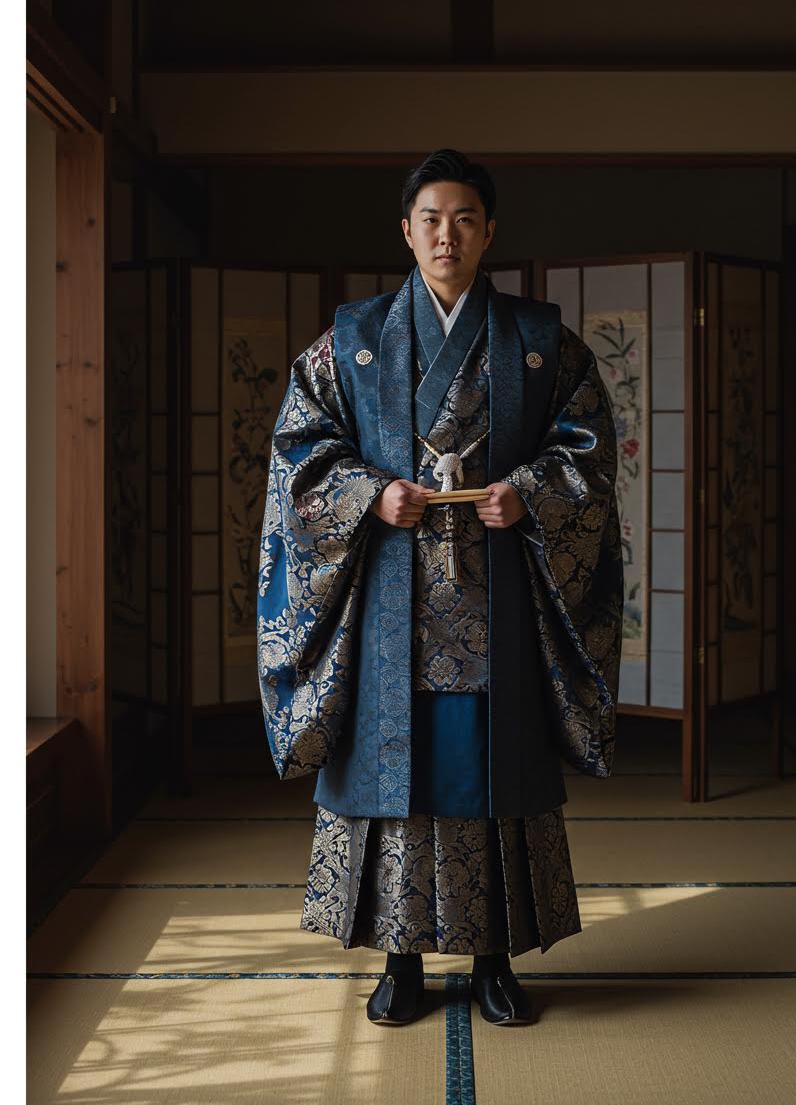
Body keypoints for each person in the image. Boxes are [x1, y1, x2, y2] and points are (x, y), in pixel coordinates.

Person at [257, 148, 623, 1026]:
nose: (447, 234)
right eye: (430, 218)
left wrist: (527, 493)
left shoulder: (539, 341)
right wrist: (367, 494)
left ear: (489, 231)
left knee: (486, 769)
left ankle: (494, 959)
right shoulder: (352, 338)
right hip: (390, 592)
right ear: (406, 231)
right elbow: (300, 448)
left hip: (496, 588)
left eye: (464, 218)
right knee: (397, 775)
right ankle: (400, 963)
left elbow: (587, 448)